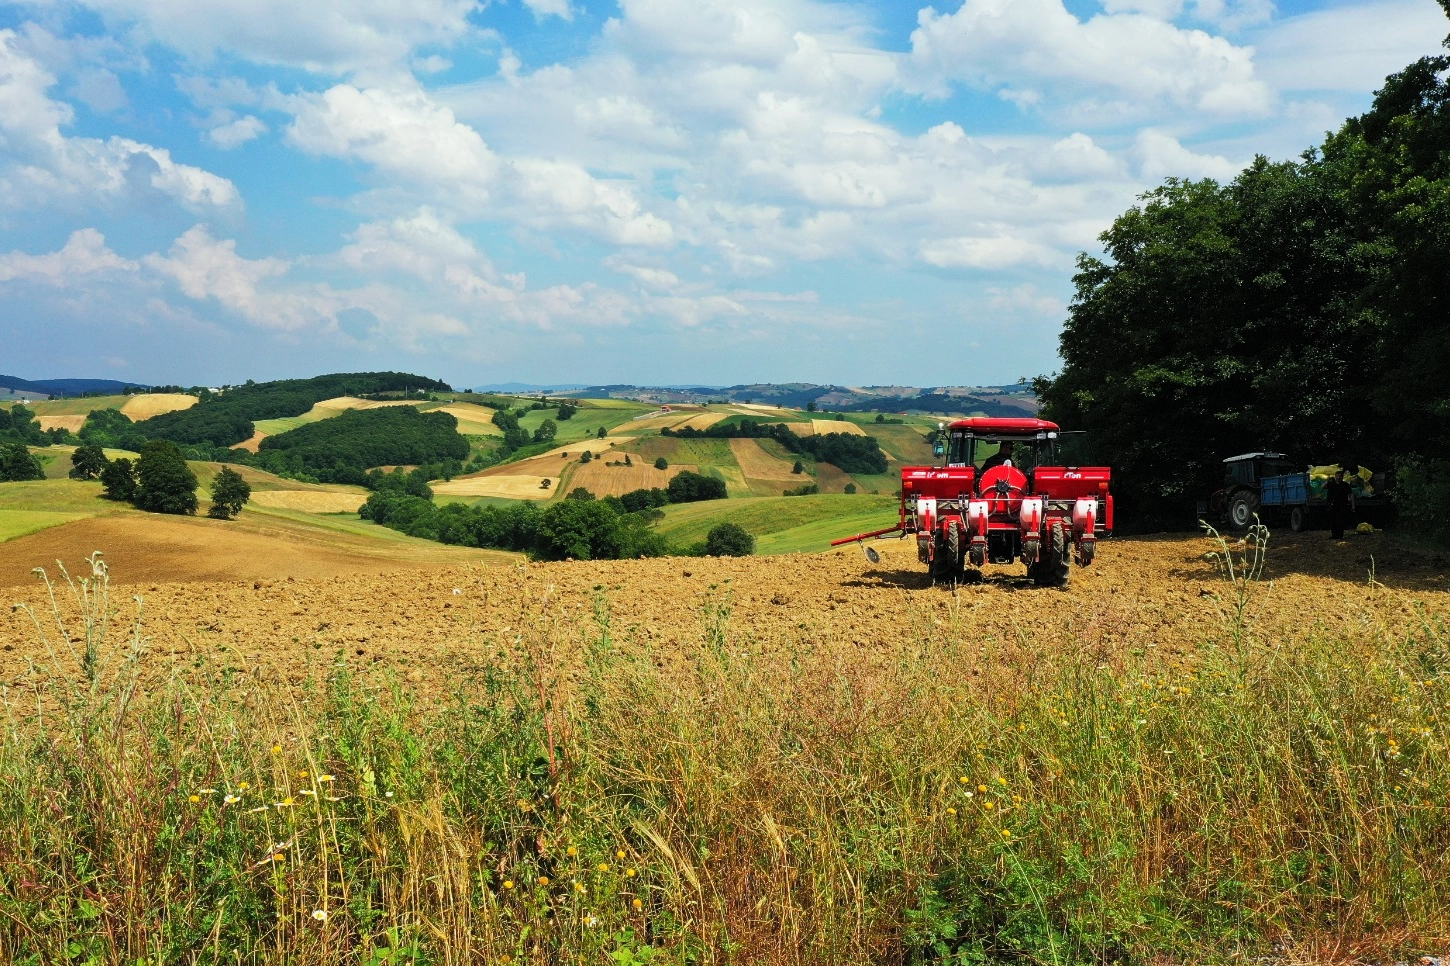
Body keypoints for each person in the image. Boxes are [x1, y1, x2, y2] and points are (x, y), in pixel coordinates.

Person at [1326, 468, 1354, 540]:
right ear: (1335, 476)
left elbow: (1351, 495)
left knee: (1341, 520)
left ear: (1342, 477)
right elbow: (1322, 487)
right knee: (1333, 521)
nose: (1338, 478)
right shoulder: (1331, 484)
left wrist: (1353, 505)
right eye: (1337, 476)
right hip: (1332, 505)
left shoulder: (1346, 485)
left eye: (1340, 476)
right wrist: (1327, 481)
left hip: (1342, 505)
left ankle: (1340, 535)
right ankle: (1334, 535)